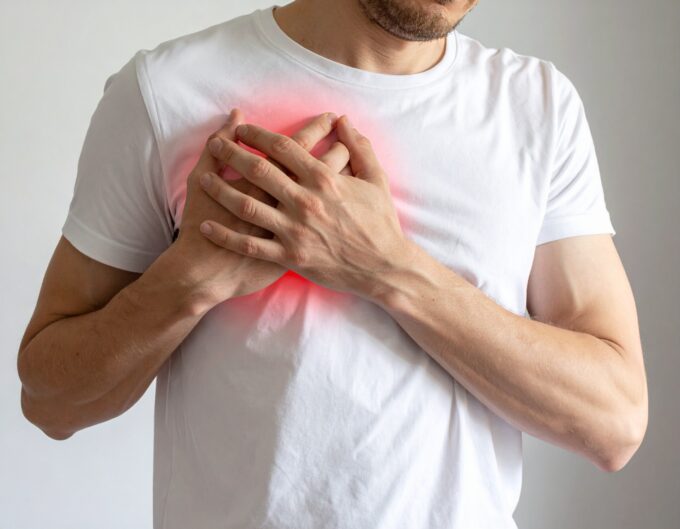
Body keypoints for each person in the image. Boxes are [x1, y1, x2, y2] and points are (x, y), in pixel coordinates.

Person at [17, 1, 648, 528]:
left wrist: (389, 270)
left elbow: (614, 422)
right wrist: (190, 279)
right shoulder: (167, 91)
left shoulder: (536, 107)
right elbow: (50, 400)